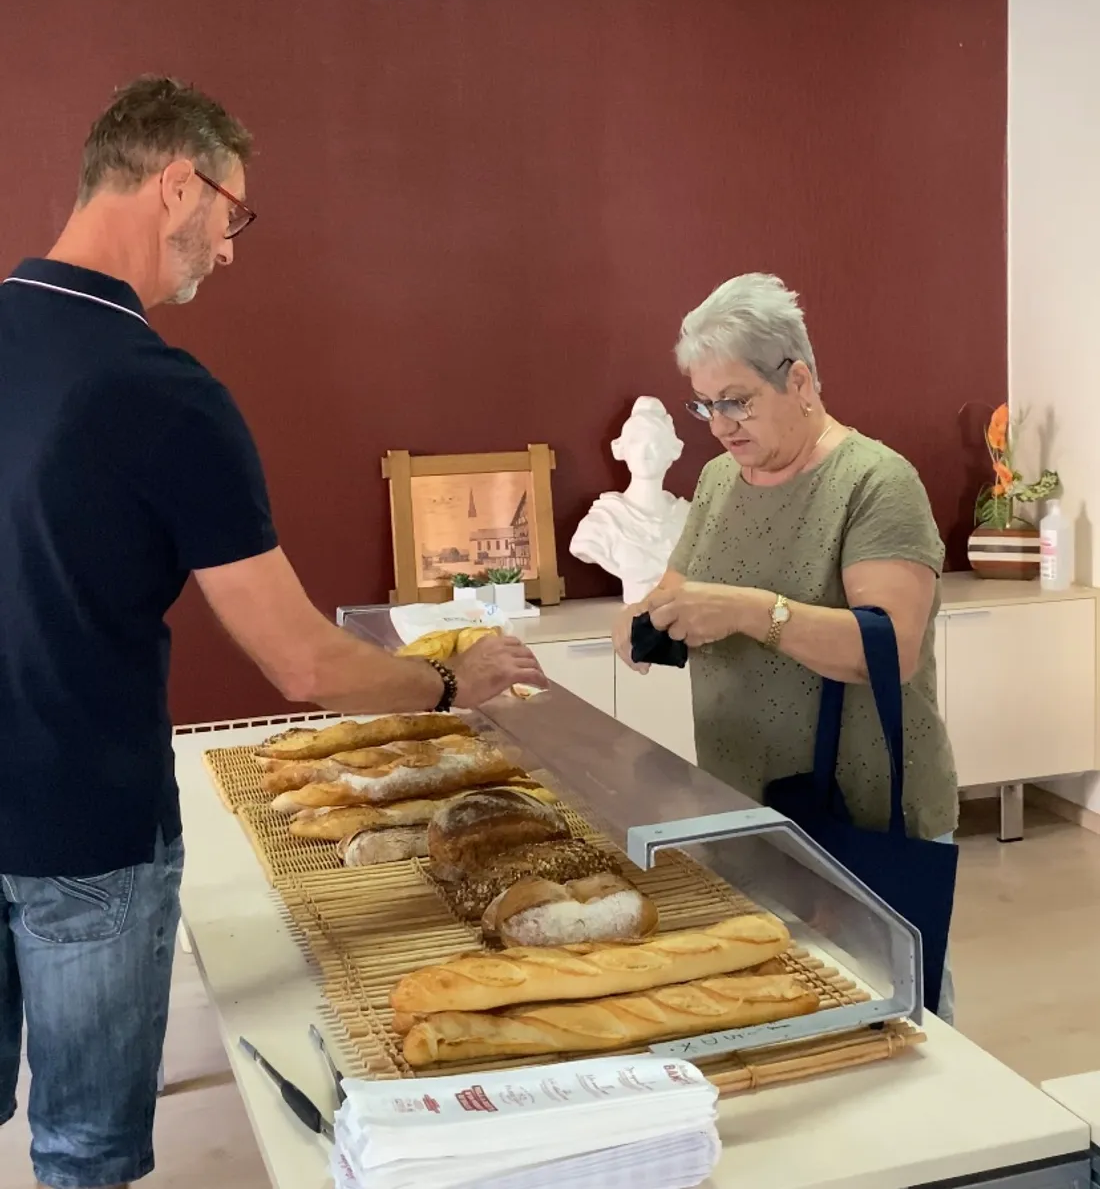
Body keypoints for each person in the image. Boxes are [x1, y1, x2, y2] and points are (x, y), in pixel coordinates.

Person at [0, 76, 544, 1189]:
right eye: (233, 214)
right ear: (176, 184)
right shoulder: (165, 393)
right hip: (84, 831)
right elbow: (300, 660)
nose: (230, 249)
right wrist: (450, 685)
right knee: (83, 1151)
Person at [612, 272, 958, 1019]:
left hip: (861, 818)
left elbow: (891, 649)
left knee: (899, 1030)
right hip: (746, 811)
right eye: (704, 404)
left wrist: (751, 612)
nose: (720, 424)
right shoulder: (717, 480)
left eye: (737, 400)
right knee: (786, 1021)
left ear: (798, 379)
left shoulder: (875, 482)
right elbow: (680, 591)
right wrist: (646, 616)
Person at [569, 396, 691, 603]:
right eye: (636, 441)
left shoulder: (687, 517)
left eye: (656, 442)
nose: (645, 451)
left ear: (674, 450)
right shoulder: (601, 523)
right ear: (620, 449)